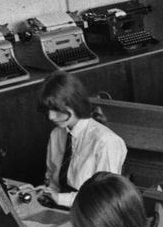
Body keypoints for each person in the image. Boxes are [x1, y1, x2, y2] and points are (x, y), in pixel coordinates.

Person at [39, 72, 127, 207]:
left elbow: (105, 198)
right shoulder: (56, 134)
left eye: (56, 109)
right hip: (59, 207)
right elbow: (52, 179)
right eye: (48, 110)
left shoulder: (106, 141)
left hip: (92, 213)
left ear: (74, 103)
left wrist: (61, 199)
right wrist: (46, 193)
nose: (51, 116)